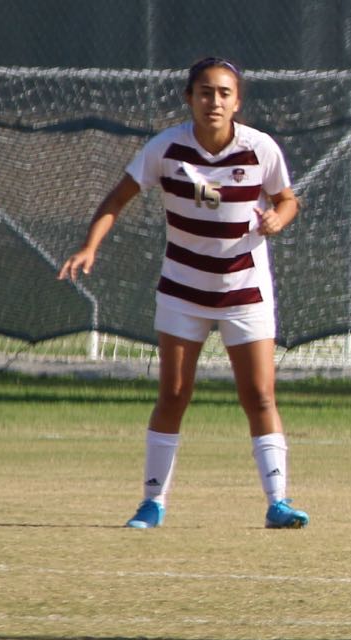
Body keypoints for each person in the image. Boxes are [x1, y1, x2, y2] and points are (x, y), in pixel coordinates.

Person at [59, 56, 307, 530]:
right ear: (188, 98)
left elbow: (287, 198)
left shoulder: (260, 149)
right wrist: (90, 246)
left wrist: (279, 217)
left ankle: (278, 502)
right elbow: (116, 199)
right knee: (173, 393)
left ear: (238, 101)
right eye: (205, 92)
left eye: (224, 93)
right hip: (182, 290)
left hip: (245, 291)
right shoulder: (165, 148)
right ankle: (152, 504)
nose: (214, 101)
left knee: (258, 395)